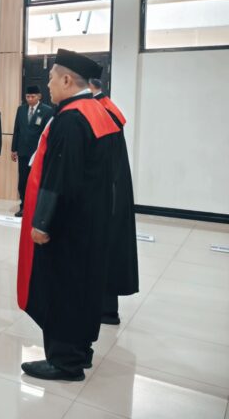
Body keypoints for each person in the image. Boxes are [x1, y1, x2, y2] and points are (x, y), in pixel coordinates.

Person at [17, 49, 121, 382]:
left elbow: (59, 177)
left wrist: (42, 223)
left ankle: (64, 361)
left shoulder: (71, 119)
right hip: (92, 223)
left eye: (50, 78)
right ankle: (80, 351)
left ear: (65, 80)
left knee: (63, 289)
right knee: (85, 288)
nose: (47, 85)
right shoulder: (98, 111)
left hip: (68, 228)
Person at [89, 77, 139, 325]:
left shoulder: (101, 111)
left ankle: (105, 310)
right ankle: (106, 308)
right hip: (113, 188)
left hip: (105, 191)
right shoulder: (107, 107)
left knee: (103, 249)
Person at [11, 85, 53, 217]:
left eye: (32, 96)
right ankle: (23, 207)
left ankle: (37, 209)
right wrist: (14, 149)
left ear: (39, 96)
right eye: (27, 96)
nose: (30, 99)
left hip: (37, 154)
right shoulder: (21, 109)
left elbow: (47, 134)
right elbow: (17, 130)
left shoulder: (47, 111)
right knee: (23, 181)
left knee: (36, 181)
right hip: (23, 152)